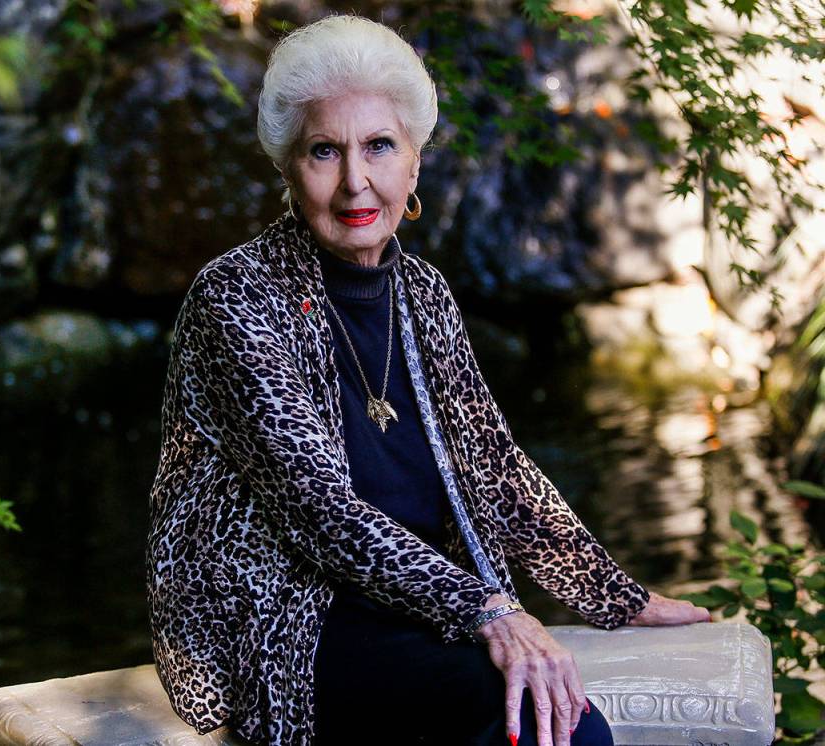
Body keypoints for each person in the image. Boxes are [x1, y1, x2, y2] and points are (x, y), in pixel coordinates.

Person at [145, 12, 711, 746]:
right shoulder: (236, 298)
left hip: (418, 599)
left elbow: (496, 468)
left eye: (380, 146)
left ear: (414, 162)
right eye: (325, 151)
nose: (357, 180)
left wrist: (616, 597)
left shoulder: (424, 292)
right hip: (288, 618)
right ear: (288, 165)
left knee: (549, 720)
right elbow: (321, 513)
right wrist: (490, 609)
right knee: (546, 725)